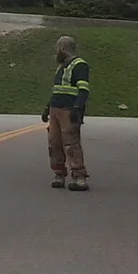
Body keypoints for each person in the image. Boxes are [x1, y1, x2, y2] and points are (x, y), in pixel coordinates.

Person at [44, 33, 91, 191]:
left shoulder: (79, 65)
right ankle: (59, 173)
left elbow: (83, 89)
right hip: (55, 109)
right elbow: (57, 91)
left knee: (71, 143)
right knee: (54, 143)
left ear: (63, 48)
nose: (56, 51)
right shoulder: (61, 66)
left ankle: (79, 176)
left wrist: (77, 108)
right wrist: (47, 108)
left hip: (68, 110)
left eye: (57, 48)